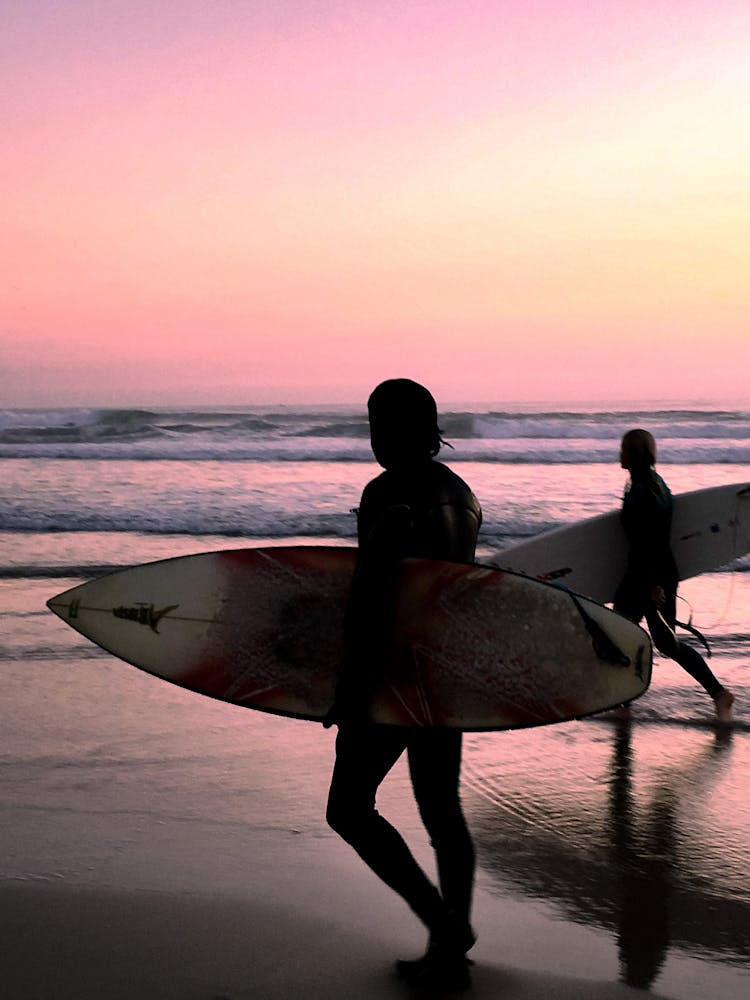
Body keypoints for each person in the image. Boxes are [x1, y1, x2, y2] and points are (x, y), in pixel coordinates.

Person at [324, 379, 482, 991]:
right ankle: (451, 952)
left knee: (349, 809)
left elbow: (373, 596)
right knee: (443, 814)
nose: (372, 438)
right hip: (444, 672)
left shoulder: (387, 493)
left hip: (391, 674)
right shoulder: (462, 496)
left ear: (397, 430)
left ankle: (444, 926)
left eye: (376, 425)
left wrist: (348, 684)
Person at [614, 429, 734, 722]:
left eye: (623, 449)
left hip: (647, 574)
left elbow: (650, 539)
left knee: (624, 634)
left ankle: (625, 704)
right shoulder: (652, 484)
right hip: (654, 571)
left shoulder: (643, 491)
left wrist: (653, 584)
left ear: (634, 453)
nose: (619, 454)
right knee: (647, 639)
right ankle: (718, 695)